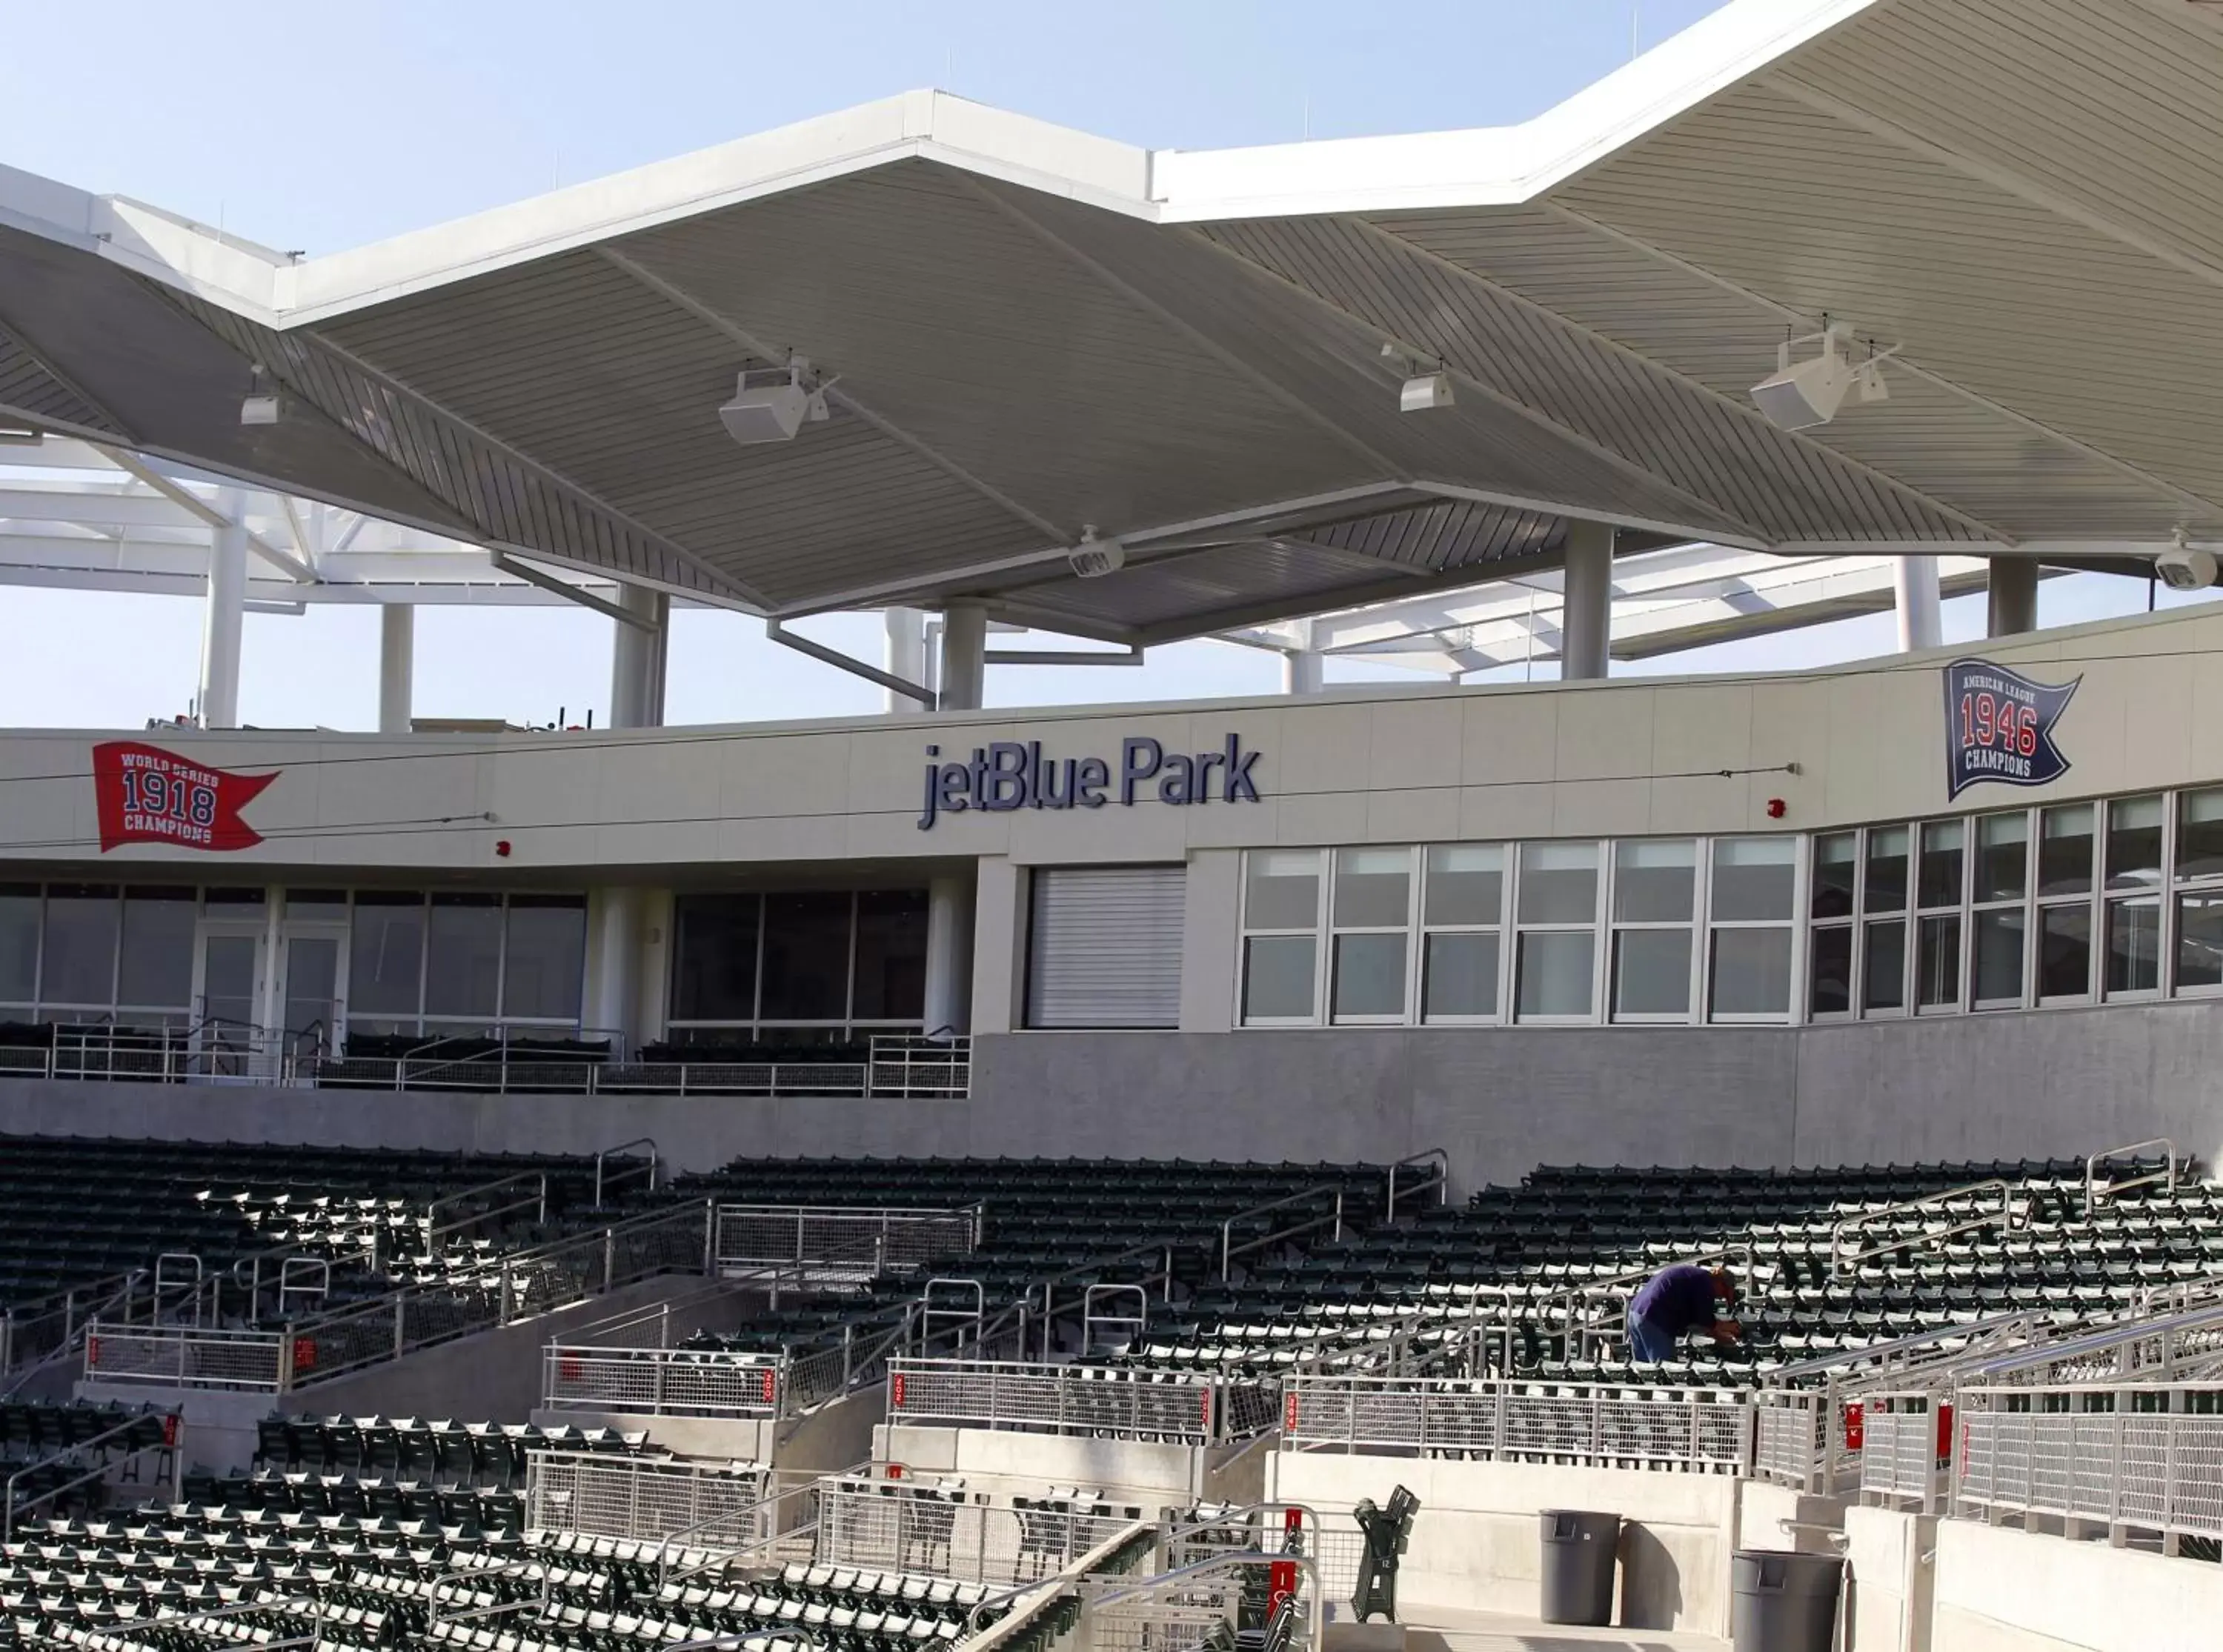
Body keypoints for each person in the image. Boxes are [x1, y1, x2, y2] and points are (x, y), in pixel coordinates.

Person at [1626, 1263, 1739, 1363]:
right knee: (1662, 1370)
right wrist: (1728, 1328)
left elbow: (1696, 1323)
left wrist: (1718, 1334)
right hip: (1655, 1317)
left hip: (1635, 1312)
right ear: (1720, 1282)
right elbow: (1704, 1322)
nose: (1719, 1297)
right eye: (1723, 1292)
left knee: (1645, 1370)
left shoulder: (1695, 1276)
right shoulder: (1705, 1283)